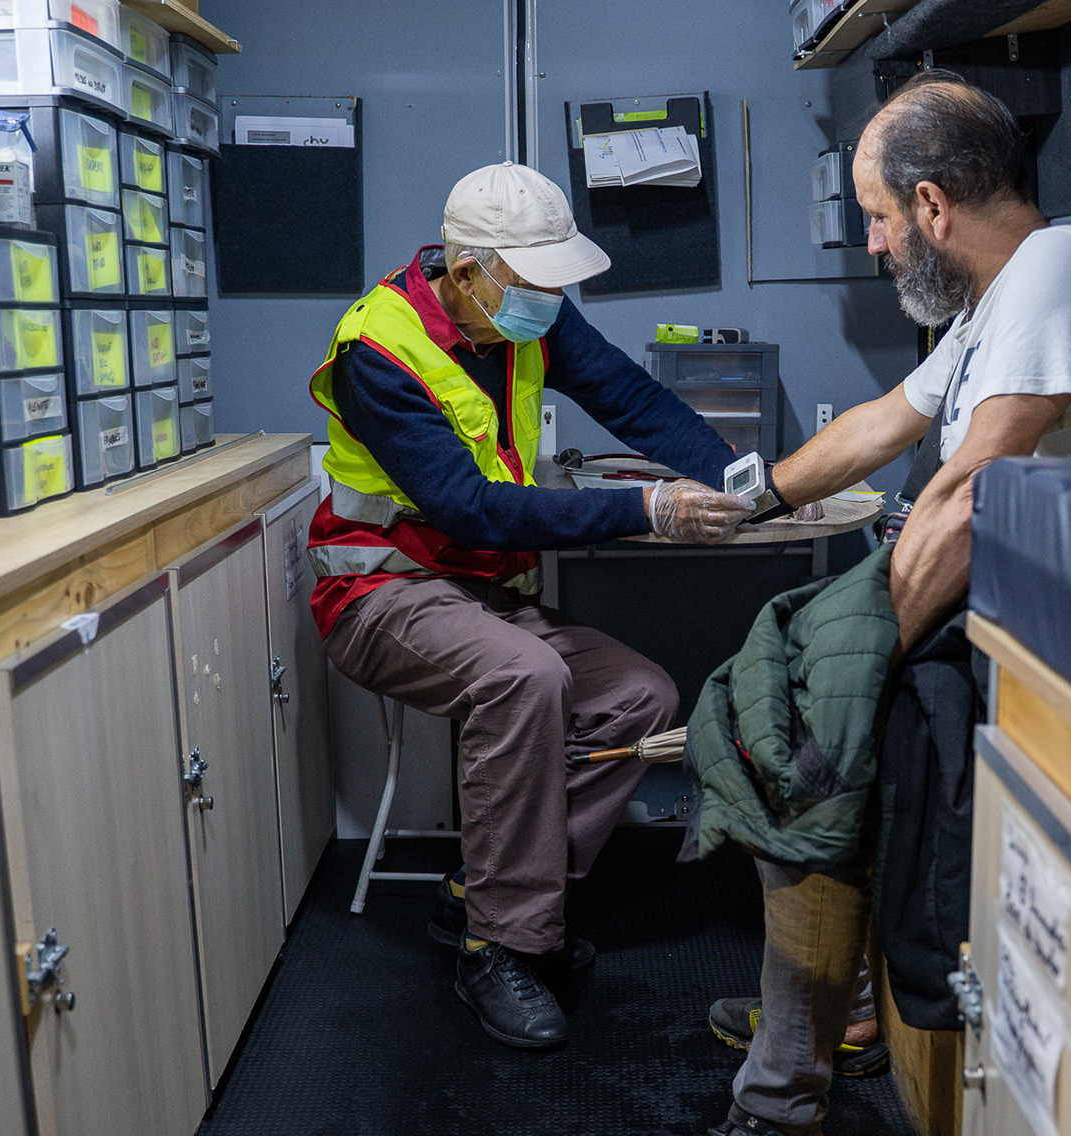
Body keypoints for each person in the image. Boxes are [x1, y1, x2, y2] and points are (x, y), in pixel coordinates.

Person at [633, 72, 1071, 1136]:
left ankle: (782, 1121)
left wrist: (855, 669)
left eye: (882, 217)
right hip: (964, 601)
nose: (874, 241)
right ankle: (841, 1010)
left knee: (800, 760)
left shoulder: (1058, 268)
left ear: (934, 204)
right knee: (780, 710)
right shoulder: (995, 300)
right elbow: (881, 424)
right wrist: (747, 502)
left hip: (1018, 635)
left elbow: (973, 492)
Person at [308, 161, 756, 1051]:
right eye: (536, 280)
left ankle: (491, 889)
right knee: (525, 676)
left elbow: (633, 399)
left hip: (485, 595)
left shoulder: (527, 311)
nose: (552, 300)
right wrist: (647, 508)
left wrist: (750, 481)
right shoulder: (378, 349)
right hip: (378, 590)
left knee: (640, 696)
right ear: (467, 271)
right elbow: (470, 508)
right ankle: (500, 944)